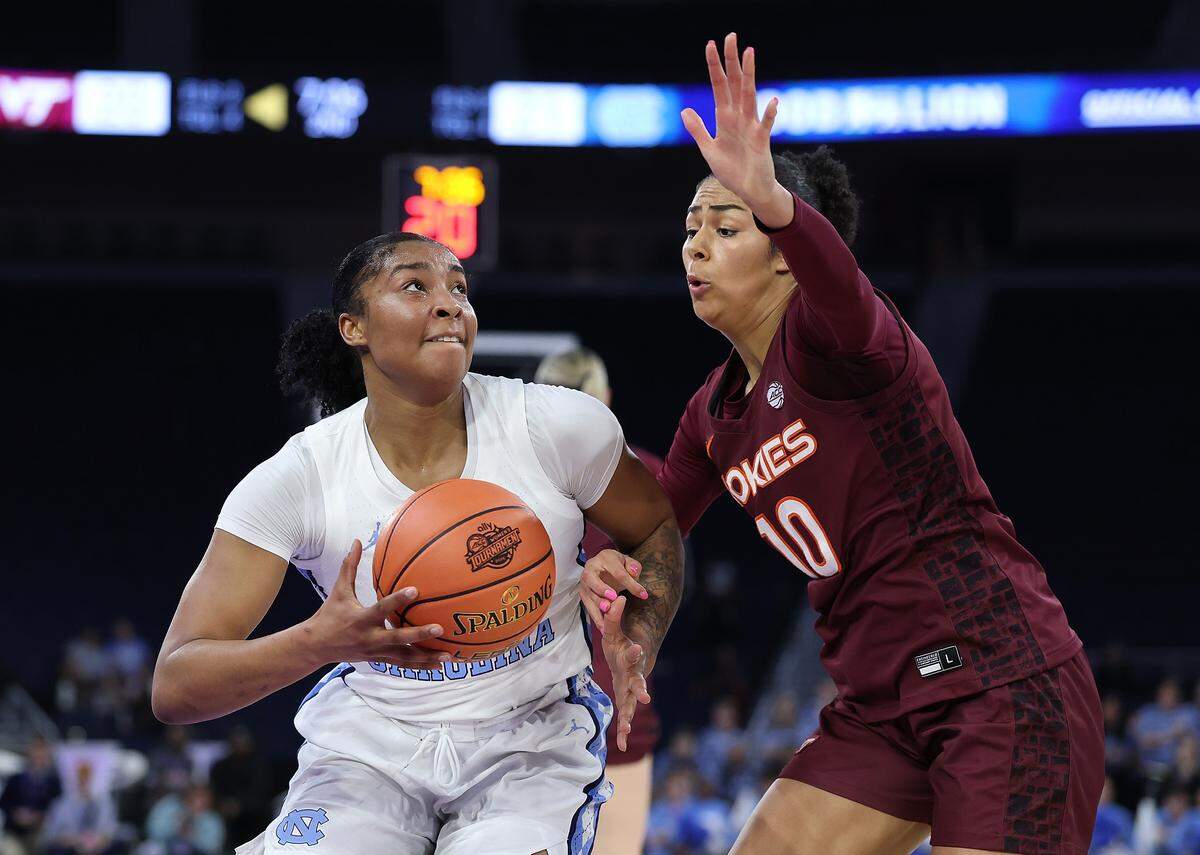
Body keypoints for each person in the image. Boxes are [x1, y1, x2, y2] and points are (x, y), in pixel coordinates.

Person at [581, 33, 1103, 854]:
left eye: (725, 225)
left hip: (1001, 680)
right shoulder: (710, 415)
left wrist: (782, 208)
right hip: (880, 711)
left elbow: (836, 281)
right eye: (691, 227)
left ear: (785, 259)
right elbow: (650, 527)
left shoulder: (843, 339)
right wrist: (618, 591)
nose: (695, 245)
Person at [150, 232, 684, 855]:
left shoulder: (558, 426)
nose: (449, 303)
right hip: (368, 748)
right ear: (354, 328)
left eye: (459, 288)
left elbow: (654, 529)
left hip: (529, 741)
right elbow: (175, 686)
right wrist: (319, 642)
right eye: (415, 286)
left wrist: (639, 637)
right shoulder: (297, 479)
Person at [534, 347, 663, 855]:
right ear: (604, 401)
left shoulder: (503, 486)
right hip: (618, 706)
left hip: (530, 708)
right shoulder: (650, 477)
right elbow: (663, 598)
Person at [38, 762, 122, 855]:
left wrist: (100, 840)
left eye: (87, 776)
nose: (84, 780)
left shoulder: (104, 803)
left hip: (98, 847)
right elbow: (49, 834)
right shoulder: (61, 804)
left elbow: (112, 828)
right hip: (70, 847)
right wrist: (72, 840)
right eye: (81, 776)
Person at [0, 737, 62, 849]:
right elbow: (4, 802)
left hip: (41, 833)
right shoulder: (16, 779)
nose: (38, 755)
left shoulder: (54, 782)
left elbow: (58, 807)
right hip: (15, 831)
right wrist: (16, 814)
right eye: (36, 750)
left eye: (42, 751)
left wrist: (39, 816)